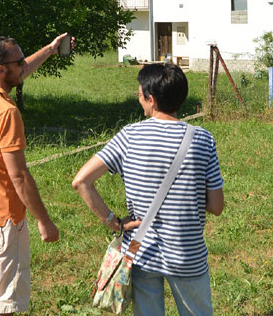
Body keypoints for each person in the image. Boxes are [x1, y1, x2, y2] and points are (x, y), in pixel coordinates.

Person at [73, 63, 225, 316]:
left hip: (139, 249)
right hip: (187, 252)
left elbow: (81, 181)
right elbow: (217, 207)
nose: (139, 99)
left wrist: (113, 222)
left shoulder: (129, 136)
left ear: (151, 99)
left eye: (139, 94)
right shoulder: (203, 139)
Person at [0, 34, 70, 315]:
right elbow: (20, 177)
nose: (24, 65)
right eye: (19, 61)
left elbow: (21, 70)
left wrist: (48, 50)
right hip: (5, 219)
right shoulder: (6, 112)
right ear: (0, 69)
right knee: (5, 302)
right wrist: (44, 221)